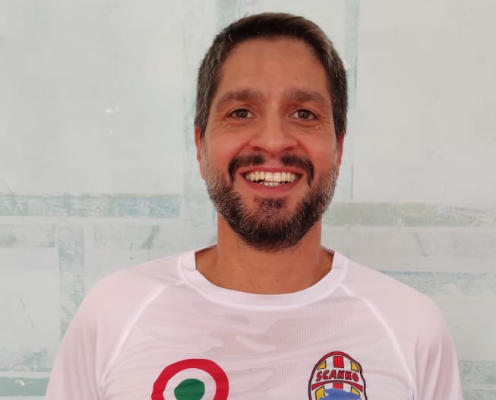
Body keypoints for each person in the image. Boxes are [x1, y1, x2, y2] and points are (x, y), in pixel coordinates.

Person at [46, 13, 463, 400]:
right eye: (241, 112)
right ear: (200, 145)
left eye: (304, 113)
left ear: (338, 148)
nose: (273, 140)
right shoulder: (114, 315)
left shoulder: (410, 329)